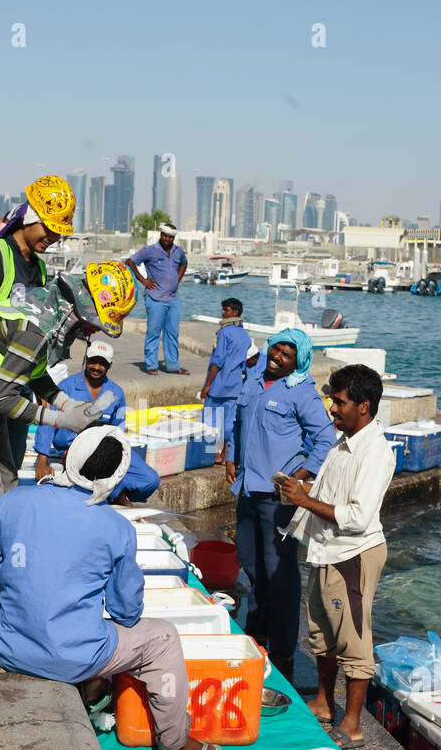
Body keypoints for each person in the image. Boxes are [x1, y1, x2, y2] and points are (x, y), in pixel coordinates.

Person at [0, 427, 221, 750]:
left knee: (77, 614)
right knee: (162, 638)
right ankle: (174, 742)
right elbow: (126, 612)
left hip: (9, 647)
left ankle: (93, 686)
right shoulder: (117, 528)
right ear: (117, 476)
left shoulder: (12, 500)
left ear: (70, 458)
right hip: (72, 656)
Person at [0, 262, 137, 565]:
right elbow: (3, 400)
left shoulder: (44, 311)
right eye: (95, 323)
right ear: (82, 307)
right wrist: (60, 419)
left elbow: (34, 374)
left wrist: (68, 404)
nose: (93, 331)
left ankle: (5, 559)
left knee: (6, 479)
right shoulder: (34, 331)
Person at [0, 176, 77, 579]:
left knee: (5, 469)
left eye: (59, 234)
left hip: (18, 381)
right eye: (50, 230)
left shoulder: (37, 266)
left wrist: (41, 383)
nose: (53, 239)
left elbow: (38, 323)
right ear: (31, 217)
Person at [280, 364, 395, 750]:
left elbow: (358, 517)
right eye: (332, 399)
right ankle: (326, 703)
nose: (332, 407)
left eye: (340, 401)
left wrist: (305, 499)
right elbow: (332, 492)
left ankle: (353, 722)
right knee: (321, 633)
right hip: (325, 550)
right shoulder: (343, 442)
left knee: (354, 640)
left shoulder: (375, 452)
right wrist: (303, 489)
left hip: (352, 555)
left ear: (364, 406)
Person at [225, 327, 335, 684]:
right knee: (251, 565)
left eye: (287, 354)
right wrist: (231, 454)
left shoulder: (302, 393)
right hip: (247, 490)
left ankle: (283, 652)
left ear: (298, 360)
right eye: (276, 349)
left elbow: (324, 440)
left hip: (278, 499)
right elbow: (240, 422)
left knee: (280, 577)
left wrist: (298, 477)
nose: (277, 357)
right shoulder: (254, 381)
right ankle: (255, 637)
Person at [33, 339, 160, 504]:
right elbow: (48, 422)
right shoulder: (67, 386)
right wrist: (42, 460)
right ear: (85, 360)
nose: (97, 367)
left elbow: (118, 431)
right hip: (71, 448)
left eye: (102, 363)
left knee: (150, 479)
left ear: (110, 366)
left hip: (103, 448)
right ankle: (115, 493)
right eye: (93, 361)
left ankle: (115, 492)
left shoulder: (115, 393)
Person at [126, 222, 189, 375]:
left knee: (172, 333)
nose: (168, 239)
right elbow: (130, 262)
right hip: (155, 298)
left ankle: (172, 365)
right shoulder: (150, 250)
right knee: (154, 332)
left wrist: (177, 280)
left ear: (174, 238)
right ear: (161, 235)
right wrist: (143, 281)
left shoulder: (178, 251)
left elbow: (184, 264)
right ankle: (151, 365)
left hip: (173, 299)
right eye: (165, 235)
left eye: (171, 237)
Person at [198, 296, 251, 464]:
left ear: (235, 312)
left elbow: (217, 360)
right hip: (235, 384)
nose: (222, 313)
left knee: (210, 419)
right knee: (229, 421)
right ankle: (225, 456)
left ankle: (210, 454)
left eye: (226, 310)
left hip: (219, 383)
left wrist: (207, 385)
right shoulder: (244, 334)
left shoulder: (224, 332)